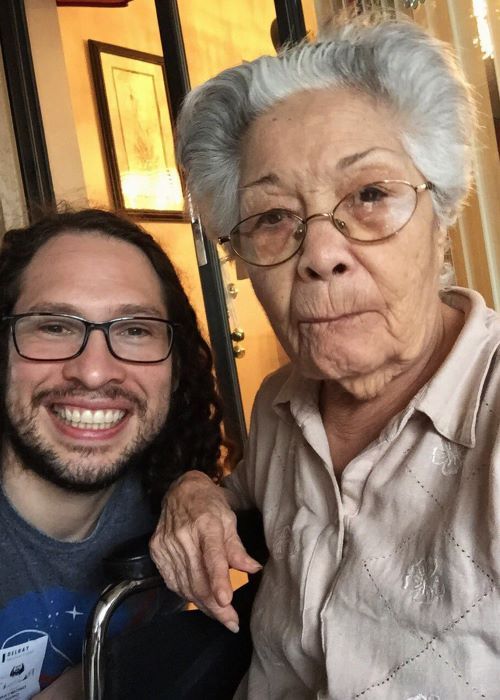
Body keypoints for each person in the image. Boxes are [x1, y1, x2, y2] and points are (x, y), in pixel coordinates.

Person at [150, 15, 500, 699]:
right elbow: (241, 490)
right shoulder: (281, 404)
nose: (318, 255)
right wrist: (192, 492)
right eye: (274, 217)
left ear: (442, 214)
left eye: (369, 195)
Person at [0, 208, 222, 699]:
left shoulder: (165, 497)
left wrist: (196, 488)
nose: (94, 372)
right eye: (54, 326)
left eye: (135, 330)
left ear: (176, 364)